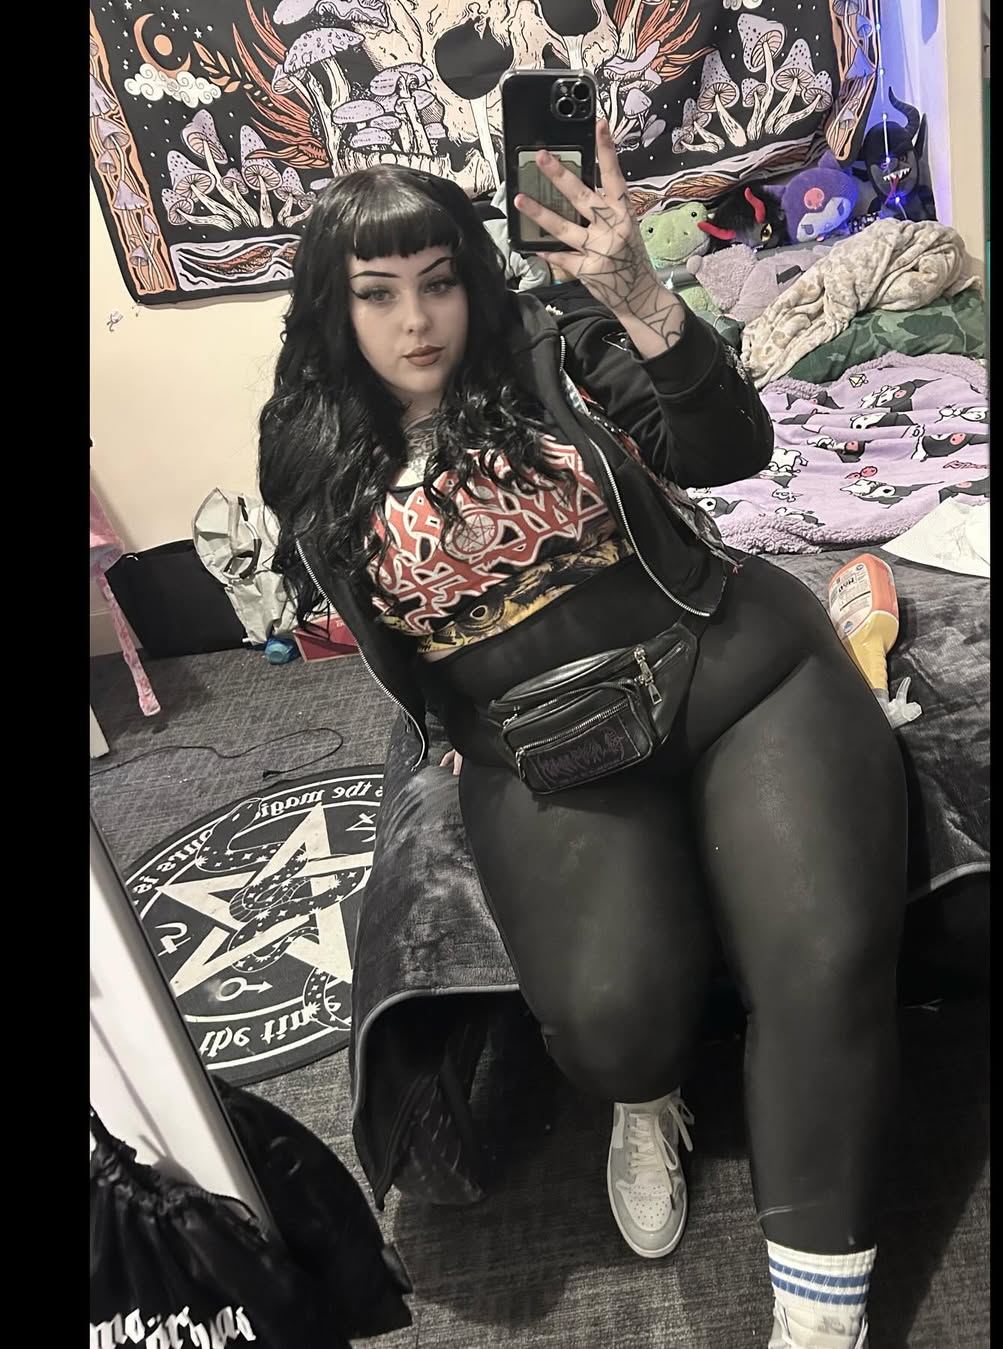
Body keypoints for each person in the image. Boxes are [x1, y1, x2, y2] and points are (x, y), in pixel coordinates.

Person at [259, 121, 907, 1349]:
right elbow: (373, 625)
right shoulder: (309, 450)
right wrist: (444, 722)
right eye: (378, 293)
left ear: (473, 276)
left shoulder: (556, 342)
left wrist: (641, 297)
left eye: (439, 280)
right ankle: (645, 1099)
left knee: (824, 962)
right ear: (331, 308)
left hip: (738, 677)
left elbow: (730, 451)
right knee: (610, 1026)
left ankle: (822, 1320)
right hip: (544, 741)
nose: (417, 321)